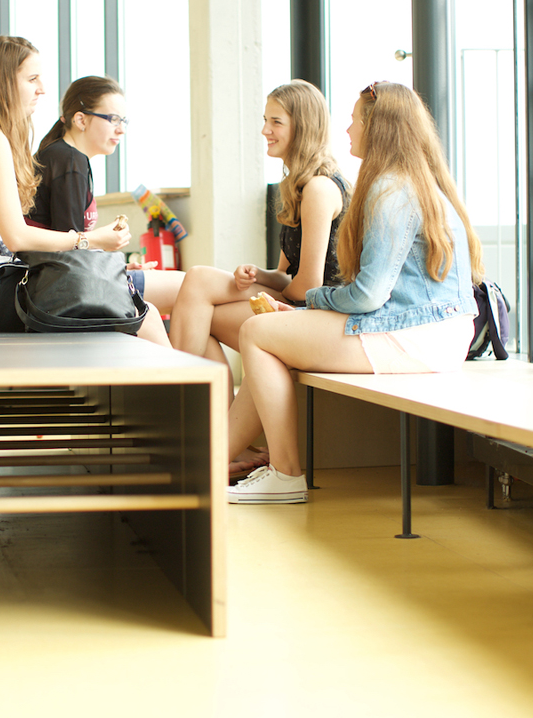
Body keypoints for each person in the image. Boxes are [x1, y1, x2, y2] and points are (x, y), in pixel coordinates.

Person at [226, 82, 483, 505]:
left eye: (354, 120)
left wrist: (311, 300)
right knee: (270, 333)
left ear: (377, 128)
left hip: (415, 339)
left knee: (257, 332)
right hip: (438, 335)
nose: (347, 130)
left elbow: (367, 297)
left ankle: (285, 474)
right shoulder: (422, 182)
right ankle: (219, 461)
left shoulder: (391, 190)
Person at [167, 80, 350, 474]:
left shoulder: (319, 189)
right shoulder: (298, 186)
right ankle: (213, 434)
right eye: (265, 120)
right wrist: (259, 275)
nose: (265, 130)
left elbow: (309, 287)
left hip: (323, 318)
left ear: (303, 127)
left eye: (275, 122)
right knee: (199, 286)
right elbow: (286, 276)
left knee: (201, 300)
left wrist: (266, 287)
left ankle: (189, 426)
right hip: (300, 307)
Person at [0, 35, 169, 345]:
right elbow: (17, 237)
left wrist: (103, 263)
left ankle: (192, 390)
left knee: (151, 308)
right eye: (32, 78)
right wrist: (92, 241)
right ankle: (192, 391)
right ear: (4, 81)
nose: (42, 89)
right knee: (148, 315)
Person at [30, 76, 185, 316]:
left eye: (123, 120)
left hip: (62, 282)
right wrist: (104, 245)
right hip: (61, 289)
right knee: (193, 288)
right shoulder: (70, 161)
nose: (121, 129)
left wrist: (117, 267)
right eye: (112, 119)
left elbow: (68, 246)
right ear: (80, 119)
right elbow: (70, 252)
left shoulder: (64, 157)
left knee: (192, 299)